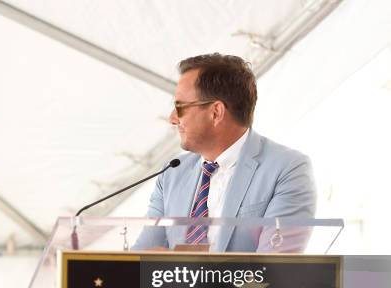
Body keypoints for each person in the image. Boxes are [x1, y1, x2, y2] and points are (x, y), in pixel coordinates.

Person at [134, 53, 316, 252]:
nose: (172, 118)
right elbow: (142, 257)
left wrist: (185, 274)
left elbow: (273, 269)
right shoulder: (172, 173)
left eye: (180, 107)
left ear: (216, 112)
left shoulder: (288, 169)